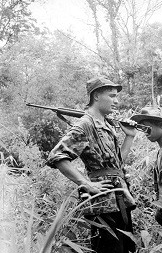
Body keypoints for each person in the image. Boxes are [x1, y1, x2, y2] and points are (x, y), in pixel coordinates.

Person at [47, 76, 137, 253]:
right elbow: (57, 156)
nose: (116, 101)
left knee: (126, 249)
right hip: (103, 204)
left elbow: (116, 166)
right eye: (112, 96)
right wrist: (86, 183)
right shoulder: (85, 125)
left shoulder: (105, 124)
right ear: (96, 96)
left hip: (119, 200)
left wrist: (130, 136)